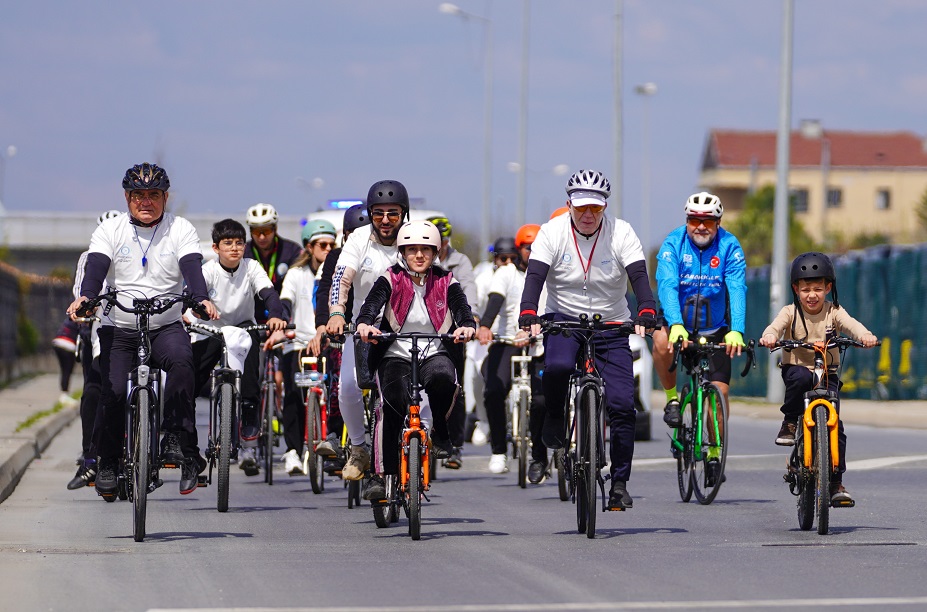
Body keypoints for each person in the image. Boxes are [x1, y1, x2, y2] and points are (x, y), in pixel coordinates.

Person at [67, 163, 218, 497]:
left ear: (165, 197)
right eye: (138, 195)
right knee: (114, 391)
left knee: (182, 361)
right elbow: (95, 268)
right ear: (127, 197)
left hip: (164, 324)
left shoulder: (181, 229)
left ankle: (175, 437)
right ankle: (107, 461)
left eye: (153, 195)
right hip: (119, 325)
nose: (145, 202)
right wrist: (87, 298)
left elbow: (192, 268)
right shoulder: (110, 230)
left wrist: (201, 299)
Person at [519, 169, 657, 510]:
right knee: (558, 367)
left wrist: (648, 310)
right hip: (563, 318)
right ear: (569, 205)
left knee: (624, 405)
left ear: (604, 207)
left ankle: (620, 482)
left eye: (595, 208)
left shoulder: (621, 232)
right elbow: (535, 277)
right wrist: (527, 312)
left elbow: (639, 276)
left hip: (612, 323)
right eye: (581, 208)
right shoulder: (552, 232)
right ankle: (554, 416)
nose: (588, 215)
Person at [355, 220, 476, 500]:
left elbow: (461, 306)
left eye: (425, 249)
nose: (419, 255)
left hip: (435, 350)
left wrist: (466, 324)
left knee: (444, 380)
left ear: (435, 253)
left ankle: (441, 434)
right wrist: (364, 323)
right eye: (412, 250)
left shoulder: (446, 280)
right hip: (395, 352)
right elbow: (371, 304)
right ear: (402, 252)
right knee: (393, 404)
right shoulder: (390, 277)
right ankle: (382, 475)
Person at [759, 252, 878, 505]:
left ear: (828, 288)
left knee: (837, 426)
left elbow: (851, 325)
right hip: (797, 369)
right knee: (801, 379)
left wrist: (866, 335)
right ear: (796, 289)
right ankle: (790, 421)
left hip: (828, 373)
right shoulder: (790, 312)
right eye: (805, 289)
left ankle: (835, 482)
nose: (811, 295)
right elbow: (775, 327)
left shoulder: (833, 311)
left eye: (817, 288)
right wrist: (769, 336)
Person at [327, 180, 419, 482]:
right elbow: (341, 278)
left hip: (406, 330)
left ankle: (419, 447)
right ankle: (358, 447)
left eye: (392, 213)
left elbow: (436, 283)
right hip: (364, 328)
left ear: (403, 214)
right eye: (378, 213)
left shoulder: (415, 238)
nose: (385, 220)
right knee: (349, 388)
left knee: (420, 395)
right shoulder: (359, 240)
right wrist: (337, 313)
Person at [191, 219, 287, 476]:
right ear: (215, 247)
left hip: (244, 327)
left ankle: (250, 410)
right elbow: (193, 296)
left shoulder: (251, 267)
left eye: (239, 243)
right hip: (213, 329)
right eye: (227, 243)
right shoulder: (208, 270)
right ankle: (185, 431)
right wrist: (195, 309)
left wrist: (276, 315)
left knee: (252, 359)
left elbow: (269, 293)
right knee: (191, 376)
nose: (234, 248)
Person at [652, 192, 747, 430]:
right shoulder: (673, 244)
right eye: (695, 220)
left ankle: (715, 455)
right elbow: (667, 285)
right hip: (678, 325)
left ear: (719, 223)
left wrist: (736, 330)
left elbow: (736, 288)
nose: (701, 226)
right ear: (687, 221)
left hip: (714, 326)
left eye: (708, 221)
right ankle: (672, 398)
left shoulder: (729, 245)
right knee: (661, 340)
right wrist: (675, 323)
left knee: (721, 392)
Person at [477, 226, 549, 481]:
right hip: (508, 339)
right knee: (494, 390)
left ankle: (540, 454)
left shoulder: (550, 272)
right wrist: (485, 326)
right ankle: (499, 450)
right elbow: (495, 300)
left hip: (541, 342)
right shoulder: (507, 273)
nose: (532, 252)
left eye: (536, 247)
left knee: (543, 399)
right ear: (519, 249)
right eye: (527, 247)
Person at [267, 219, 337, 475]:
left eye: (332, 244)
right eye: (322, 244)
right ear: (309, 247)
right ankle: (294, 451)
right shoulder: (296, 274)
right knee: (295, 393)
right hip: (297, 342)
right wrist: (281, 325)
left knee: (335, 391)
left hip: (328, 342)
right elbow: (285, 301)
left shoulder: (337, 272)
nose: (328, 249)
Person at [66, 209, 122, 490]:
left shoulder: (134, 252)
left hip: (139, 328)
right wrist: (86, 306)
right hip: (101, 329)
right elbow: (81, 291)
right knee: (93, 391)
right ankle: (90, 456)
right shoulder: (89, 258)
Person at [314, 204, 372, 473]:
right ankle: (335, 435)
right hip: (342, 326)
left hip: (373, 327)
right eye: (351, 234)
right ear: (344, 235)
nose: (357, 239)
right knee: (339, 378)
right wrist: (324, 325)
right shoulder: (337, 256)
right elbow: (328, 288)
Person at [427, 215, 478, 469]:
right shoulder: (416, 257)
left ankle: (455, 445)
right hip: (424, 329)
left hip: (454, 329)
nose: (441, 246)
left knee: (456, 388)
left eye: (444, 240)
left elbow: (468, 289)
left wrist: (471, 319)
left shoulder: (460, 261)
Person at [244, 202, 302, 322]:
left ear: (275, 229)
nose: (261, 237)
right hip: (252, 318)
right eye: (256, 232)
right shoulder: (243, 253)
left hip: (285, 318)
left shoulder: (292, 251)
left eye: (266, 231)